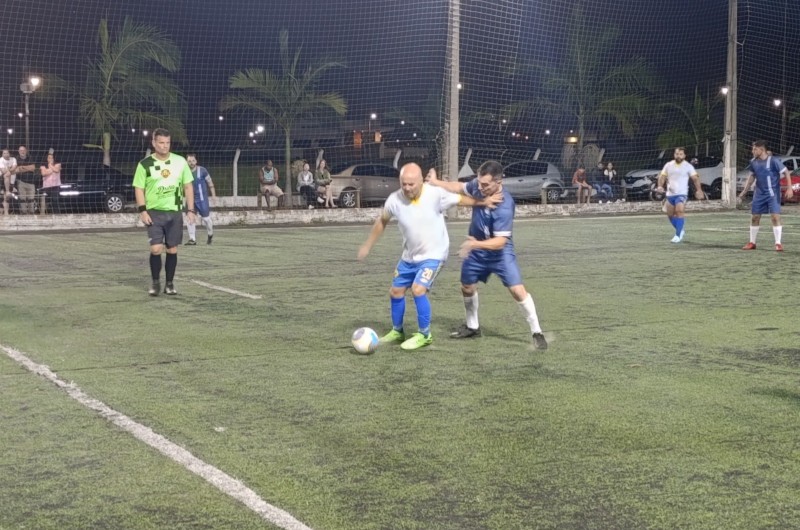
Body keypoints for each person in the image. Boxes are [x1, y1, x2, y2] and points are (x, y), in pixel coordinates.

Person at [357, 163, 499, 351]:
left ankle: (425, 335)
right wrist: (367, 245)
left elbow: (460, 199)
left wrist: (483, 202)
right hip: (409, 256)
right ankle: (397, 331)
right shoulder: (394, 200)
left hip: (434, 254)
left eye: (411, 184)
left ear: (420, 181)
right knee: (396, 292)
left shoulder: (434, 194)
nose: (407, 188)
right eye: (403, 184)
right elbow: (382, 221)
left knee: (418, 290)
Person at [427, 160, 548, 350]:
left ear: (498, 182)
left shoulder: (505, 205)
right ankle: (472, 327)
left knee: (517, 290)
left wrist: (474, 244)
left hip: (500, 254)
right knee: (467, 287)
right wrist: (436, 182)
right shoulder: (478, 185)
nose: (480, 187)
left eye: (485, 185)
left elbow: (500, 242)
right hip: (476, 250)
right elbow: (459, 187)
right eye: (479, 183)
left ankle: (537, 332)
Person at [133, 128, 195, 296]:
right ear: (154, 143)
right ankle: (155, 283)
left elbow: (188, 186)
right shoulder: (145, 164)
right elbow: (139, 188)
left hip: (174, 212)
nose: (165, 146)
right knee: (155, 249)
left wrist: (190, 209)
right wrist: (143, 211)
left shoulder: (180, 162)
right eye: (161, 142)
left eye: (167, 143)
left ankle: (169, 283)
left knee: (172, 249)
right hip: (154, 212)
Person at [738, 140, 792, 251]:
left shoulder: (773, 161)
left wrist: (789, 188)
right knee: (755, 217)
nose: (752, 151)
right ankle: (752, 242)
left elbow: (786, 172)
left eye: (755, 149)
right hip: (759, 194)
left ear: (761, 150)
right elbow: (751, 178)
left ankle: (778, 243)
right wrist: (744, 192)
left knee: (775, 217)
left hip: (773, 194)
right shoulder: (753, 162)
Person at [655, 147, 704, 243]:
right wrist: (660, 186)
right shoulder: (668, 165)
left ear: (684, 156)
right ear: (674, 155)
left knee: (679, 211)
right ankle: (680, 230)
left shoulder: (688, 166)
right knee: (670, 215)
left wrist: (699, 190)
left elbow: (695, 179)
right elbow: (662, 177)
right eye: (677, 154)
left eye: (681, 154)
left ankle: (677, 235)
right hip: (670, 194)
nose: (678, 156)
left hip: (682, 194)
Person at [185, 154, 216, 245]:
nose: (191, 163)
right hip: (190, 199)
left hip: (202, 199)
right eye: (189, 161)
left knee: (206, 219)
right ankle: (192, 239)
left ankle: (210, 234)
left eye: (193, 161)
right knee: (190, 217)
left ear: (196, 161)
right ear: (187, 162)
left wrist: (213, 195)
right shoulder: (184, 171)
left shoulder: (202, 170)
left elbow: (210, 183)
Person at [13, 146, 38, 214]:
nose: (22, 152)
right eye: (21, 150)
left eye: (23, 150)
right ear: (18, 151)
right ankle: (23, 213)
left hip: (31, 182)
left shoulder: (30, 158)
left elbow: (33, 168)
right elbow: (16, 170)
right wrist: (28, 168)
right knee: (22, 199)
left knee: (31, 199)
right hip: (21, 182)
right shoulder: (16, 159)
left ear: (26, 151)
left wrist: (22, 167)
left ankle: (31, 213)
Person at [1, 149, 18, 215]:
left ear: (9, 154)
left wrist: (9, 171)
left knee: (7, 197)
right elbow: (3, 171)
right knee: (2, 197)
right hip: (1, 180)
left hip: (11, 181)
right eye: (4, 153)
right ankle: (2, 212)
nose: (6, 154)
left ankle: (6, 212)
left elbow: (14, 167)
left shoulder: (13, 159)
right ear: (2, 154)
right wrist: (10, 171)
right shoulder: (1, 160)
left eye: (7, 153)